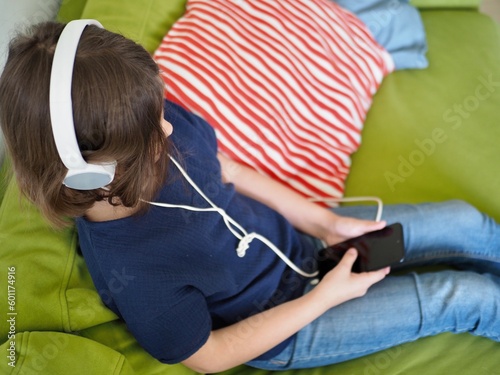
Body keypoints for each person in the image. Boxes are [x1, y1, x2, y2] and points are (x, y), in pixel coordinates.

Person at [1, 21, 500, 374]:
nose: (170, 127)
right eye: (151, 132)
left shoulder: (149, 121)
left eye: (158, 109)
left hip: (307, 244)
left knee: (465, 224)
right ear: (91, 174)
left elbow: (227, 168)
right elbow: (209, 356)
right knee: (466, 298)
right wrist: (327, 298)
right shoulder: (136, 274)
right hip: (287, 323)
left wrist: (325, 224)